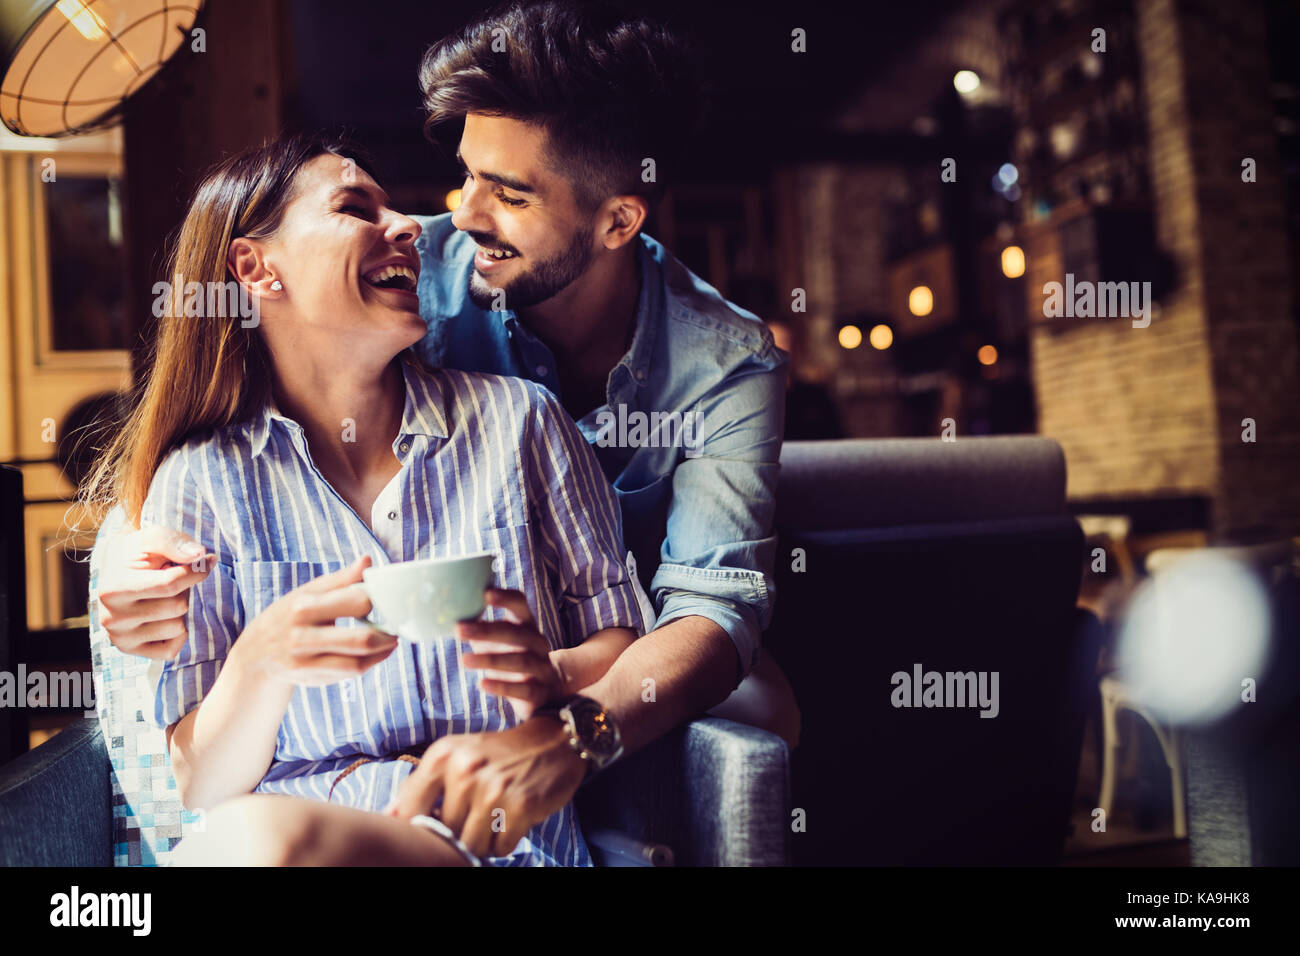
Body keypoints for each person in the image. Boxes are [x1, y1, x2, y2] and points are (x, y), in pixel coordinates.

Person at [94, 0, 797, 859]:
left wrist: (566, 713)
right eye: (466, 175)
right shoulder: (399, 268)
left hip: (558, 735)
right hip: (301, 816)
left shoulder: (719, 365)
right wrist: (129, 556)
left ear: (618, 220)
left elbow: (710, 612)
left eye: (510, 193)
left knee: (768, 703)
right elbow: (229, 381)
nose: (452, 218)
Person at [83, 133, 644, 865]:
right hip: (289, 847)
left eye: (395, 209)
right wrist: (260, 662)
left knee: (264, 840)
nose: (408, 226)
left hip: (490, 843)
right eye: (355, 207)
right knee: (255, 838)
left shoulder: (520, 423)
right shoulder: (200, 482)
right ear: (255, 267)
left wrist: (554, 677)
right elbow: (197, 785)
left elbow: (626, 645)